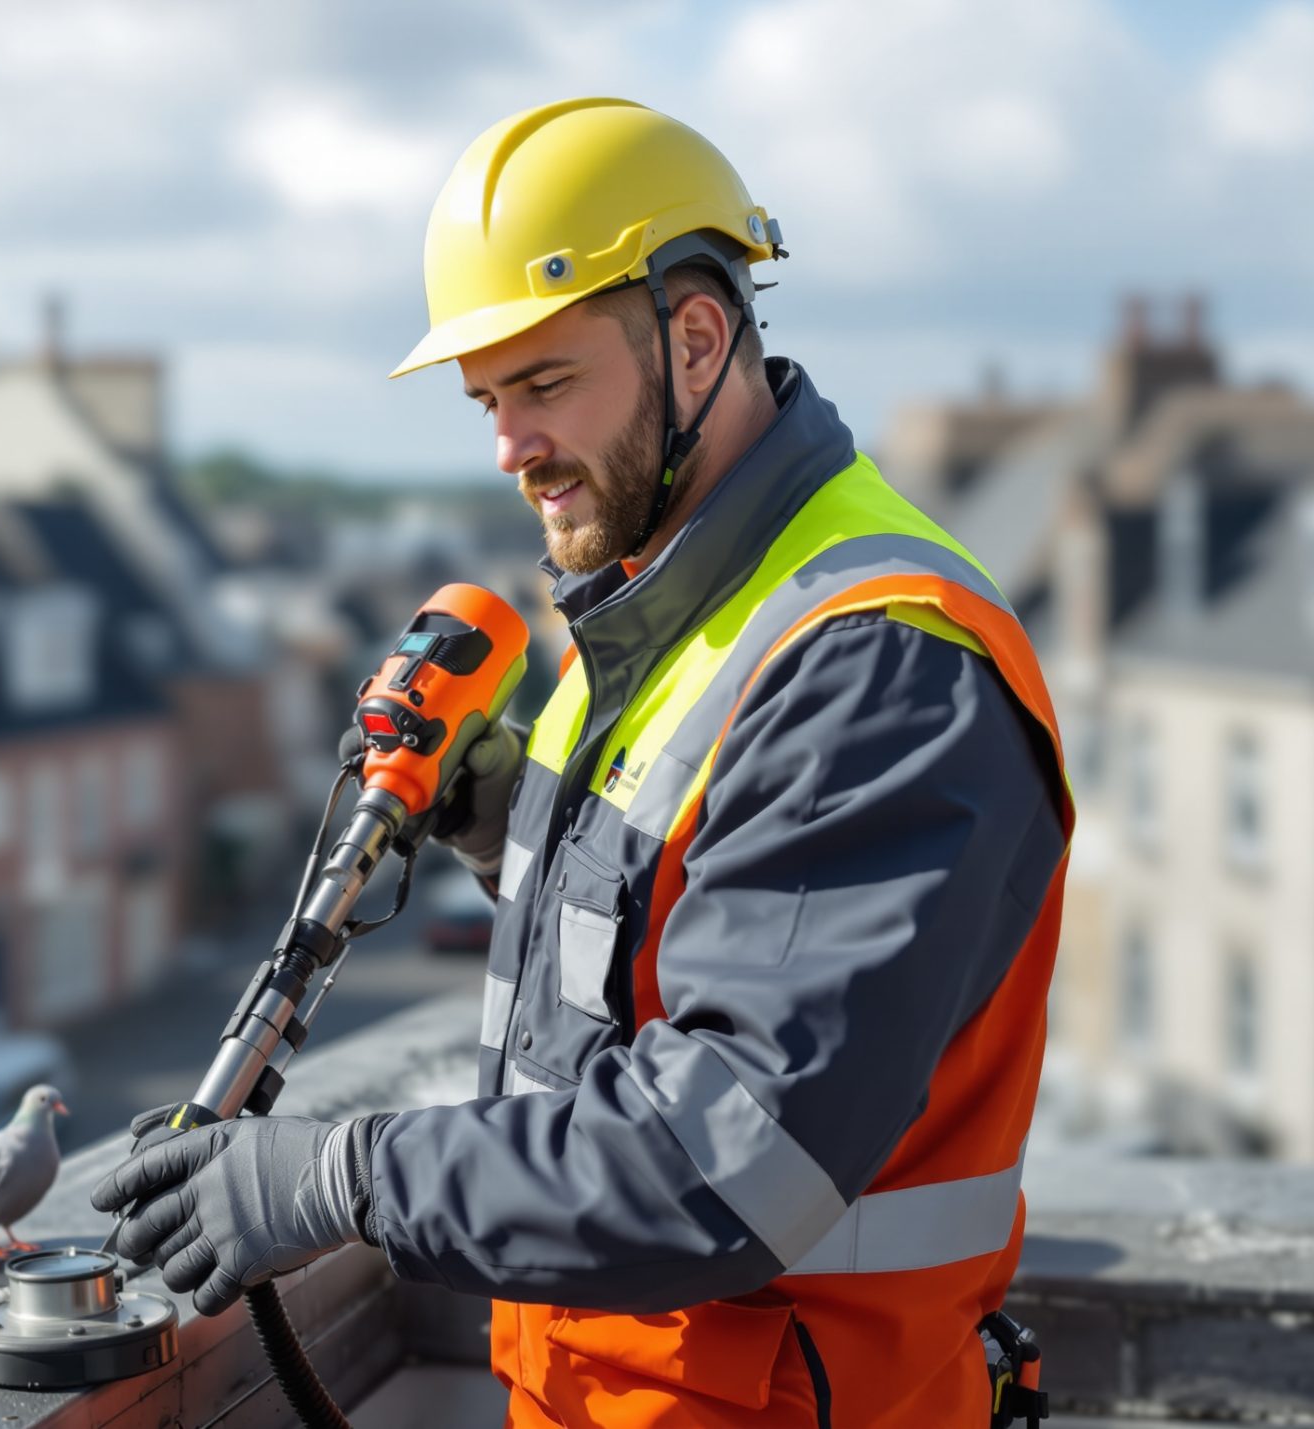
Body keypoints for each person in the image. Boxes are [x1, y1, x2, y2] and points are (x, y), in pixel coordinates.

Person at [93, 98, 1073, 1427]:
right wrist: (498, 813)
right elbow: (661, 942)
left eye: (545, 385)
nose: (512, 449)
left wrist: (330, 1178)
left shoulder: (878, 663)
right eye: (489, 399)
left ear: (698, 336)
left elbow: (728, 1156)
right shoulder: (655, 616)